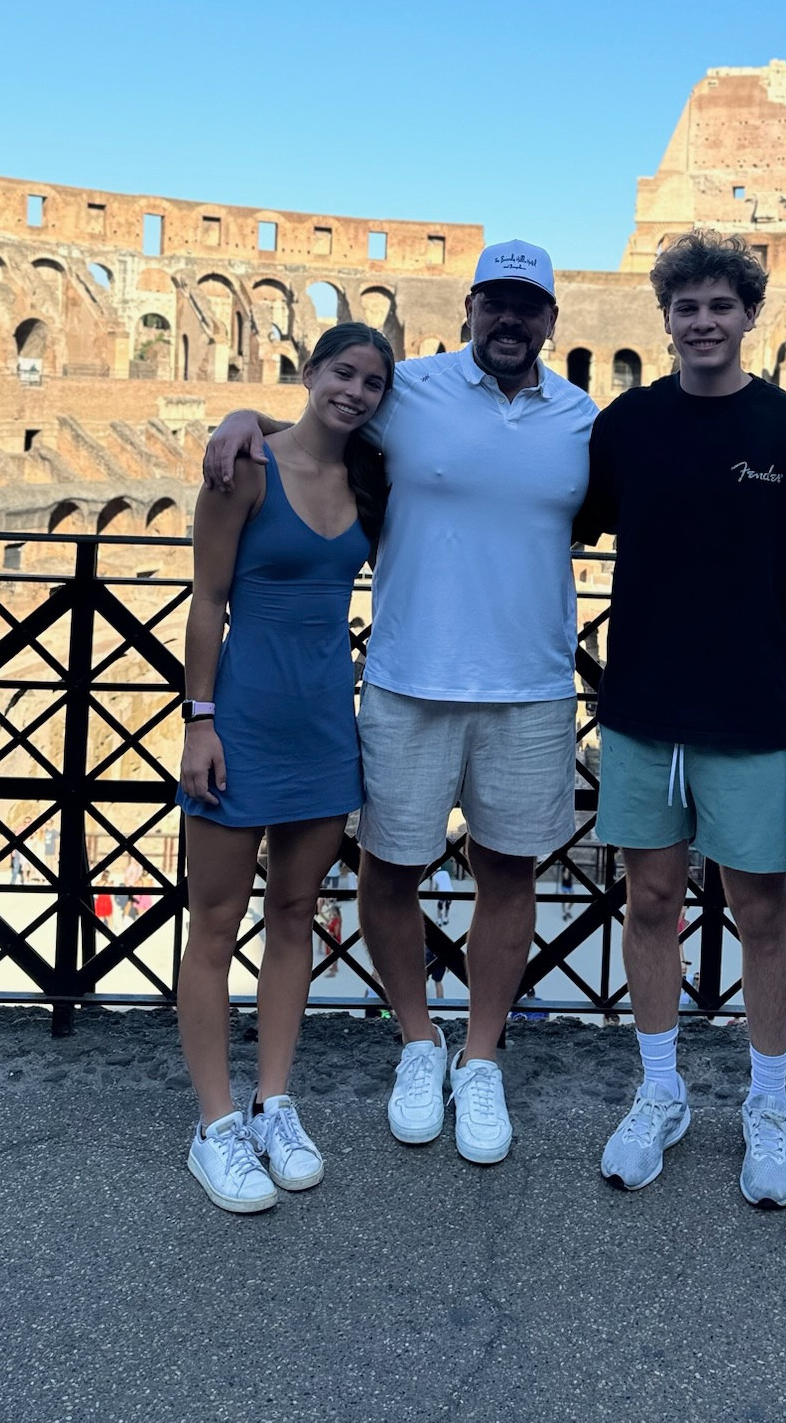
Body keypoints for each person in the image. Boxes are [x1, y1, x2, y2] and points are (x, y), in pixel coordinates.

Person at [204, 241, 596, 1167]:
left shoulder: (583, 418)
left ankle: (483, 1056)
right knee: (390, 868)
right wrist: (240, 413)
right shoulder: (408, 390)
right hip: (409, 675)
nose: (510, 320)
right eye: (494, 304)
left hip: (532, 684)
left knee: (511, 872)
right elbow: (321, 417)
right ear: (469, 309)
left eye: (527, 306)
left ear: (551, 321)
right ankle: (418, 1044)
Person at [573, 231, 786, 1206]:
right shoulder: (626, 425)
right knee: (650, 903)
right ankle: (660, 1090)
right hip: (645, 702)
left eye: (718, 306)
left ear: (748, 314)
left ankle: (766, 1105)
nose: (701, 322)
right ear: (666, 318)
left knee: (763, 912)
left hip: (754, 706)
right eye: (685, 307)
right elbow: (564, 513)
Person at [176, 322, 393, 1214]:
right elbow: (206, 599)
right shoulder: (246, 468)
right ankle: (215, 1124)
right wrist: (198, 721)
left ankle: (274, 1101)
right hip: (245, 717)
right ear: (311, 371)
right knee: (216, 922)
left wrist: (248, 409)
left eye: (373, 382)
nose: (354, 390)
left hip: (324, 727)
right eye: (341, 372)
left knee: (298, 914)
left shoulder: (371, 478)